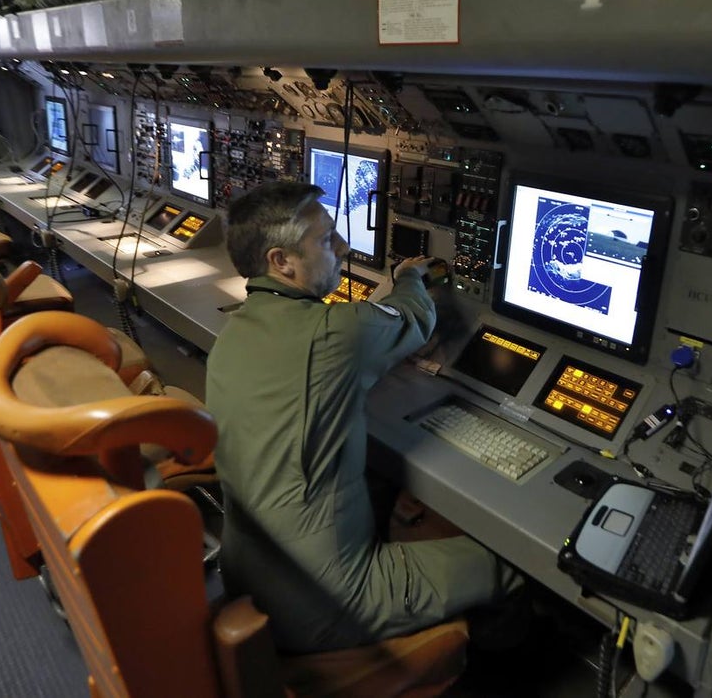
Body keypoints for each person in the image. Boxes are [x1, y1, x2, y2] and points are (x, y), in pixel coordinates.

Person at [207, 180, 522, 654]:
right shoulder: (338, 332)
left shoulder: (234, 332)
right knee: (513, 563)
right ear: (281, 261)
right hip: (330, 601)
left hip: (247, 575)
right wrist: (410, 276)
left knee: (381, 482)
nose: (343, 246)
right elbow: (412, 315)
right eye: (325, 239)